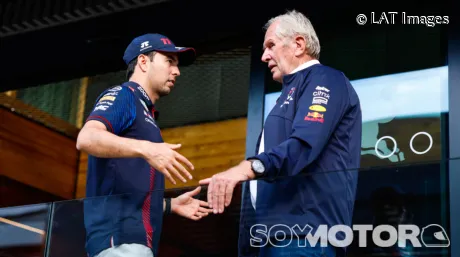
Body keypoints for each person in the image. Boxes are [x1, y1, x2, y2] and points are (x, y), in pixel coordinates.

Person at [199, 10, 362, 257]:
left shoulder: (325, 79)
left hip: (304, 238)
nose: (264, 56)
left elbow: (304, 145)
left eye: (271, 45)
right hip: (275, 240)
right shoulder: (288, 94)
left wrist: (244, 169)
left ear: (298, 44)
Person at [77, 33, 213, 257]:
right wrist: (148, 149)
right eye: (169, 61)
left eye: (177, 65)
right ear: (143, 61)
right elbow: (87, 138)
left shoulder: (144, 111)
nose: (176, 71)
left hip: (132, 242)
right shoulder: (124, 95)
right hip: (118, 241)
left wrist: (170, 205)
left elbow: (128, 191)